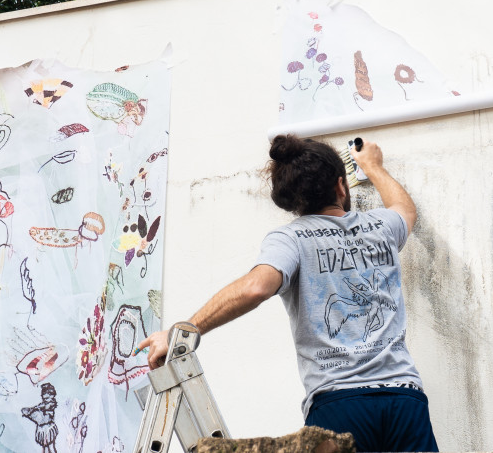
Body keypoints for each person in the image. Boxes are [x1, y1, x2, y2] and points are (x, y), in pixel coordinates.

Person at [138, 134, 438, 452]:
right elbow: (405, 210)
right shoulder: (381, 226)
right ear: (340, 186)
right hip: (404, 398)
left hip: (338, 405)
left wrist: (184, 331)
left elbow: (256, 286)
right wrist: (373, 166)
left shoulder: (290, 239)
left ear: (292, 201)